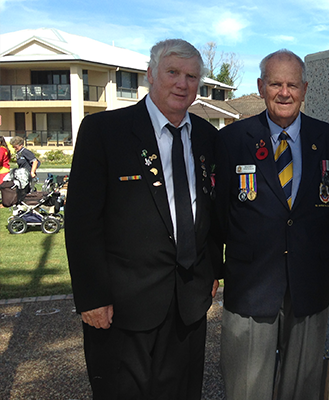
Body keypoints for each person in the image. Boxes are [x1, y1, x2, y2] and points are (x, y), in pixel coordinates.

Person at [65, 39, 219, 399]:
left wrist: (213, 269)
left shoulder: (209, 138)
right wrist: (91, 296)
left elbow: (212, 209)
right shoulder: (104, 131)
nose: (182, 83)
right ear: (151, 74)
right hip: (122, 306)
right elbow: (82, 221)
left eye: (192, 76)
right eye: (173, 73)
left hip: (188, 305)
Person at [214, 49, 329, 400]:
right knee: (245, 389)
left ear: (304, 89)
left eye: (291, 85)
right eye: (275, 84)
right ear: (261, 87)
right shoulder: (230, 142)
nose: (284, 92)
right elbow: (217, 217)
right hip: (251, 287)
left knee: (302, 388)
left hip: (309, 286)